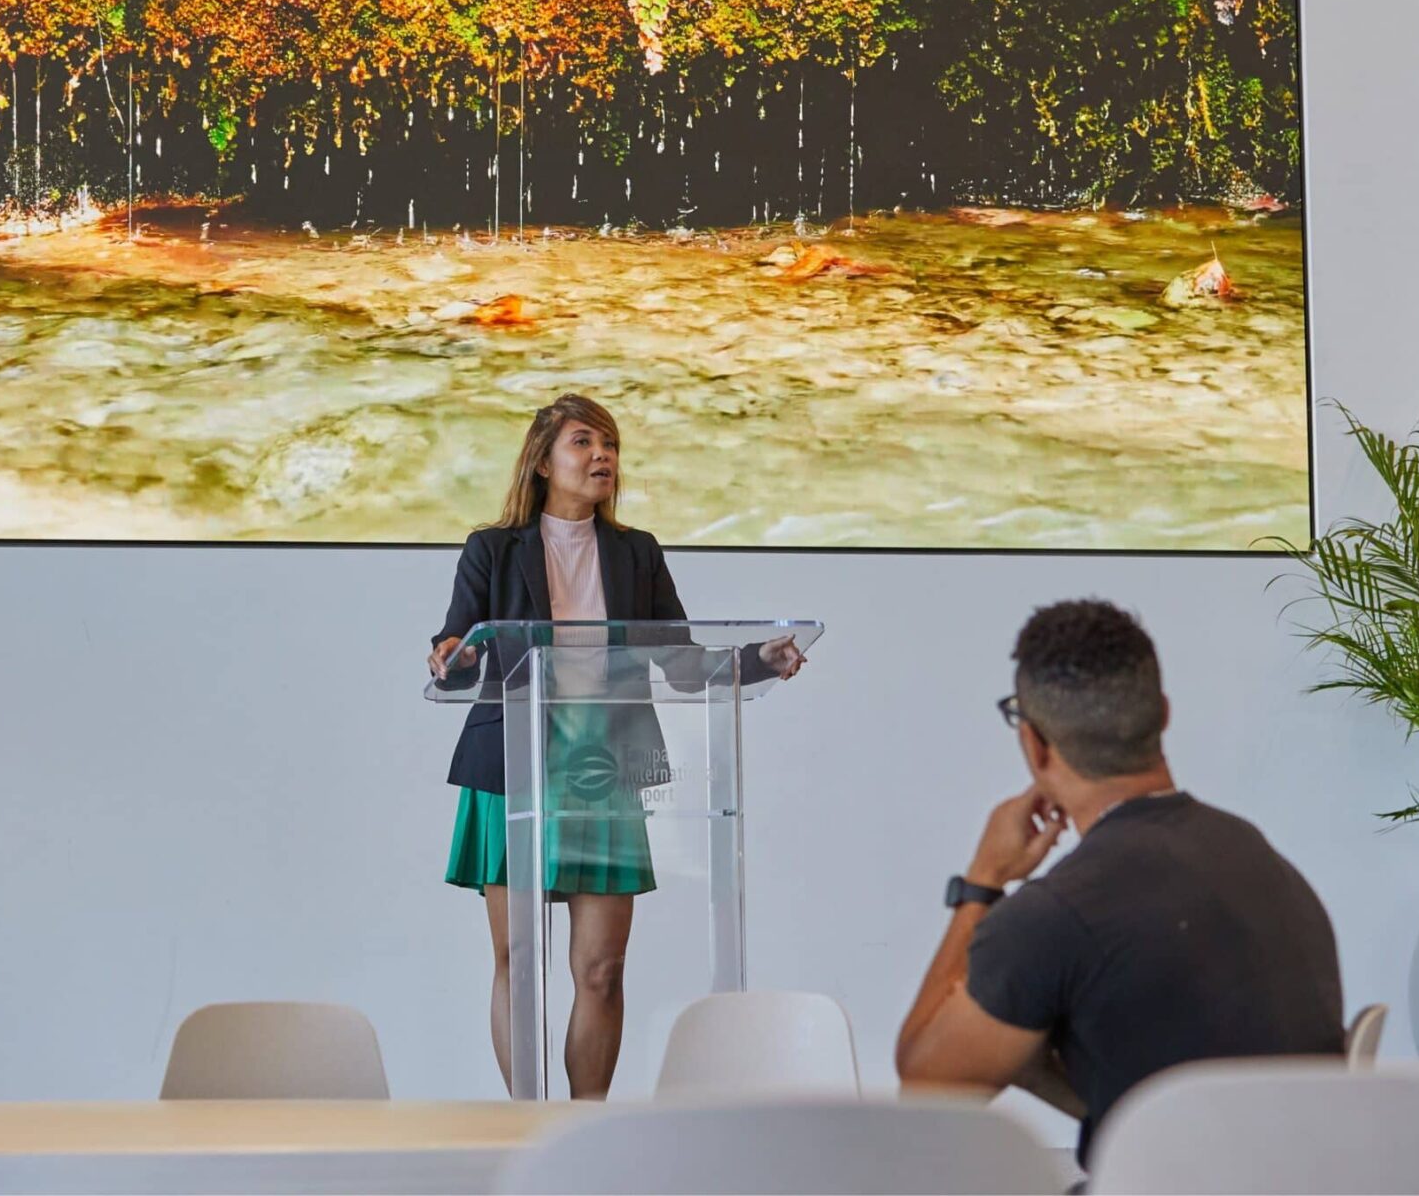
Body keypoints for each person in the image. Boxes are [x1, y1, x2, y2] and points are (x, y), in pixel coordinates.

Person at [428, 394, 803, 1099]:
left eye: (610, 445)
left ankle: (586, 1125)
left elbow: (684, 665)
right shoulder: (492, 549)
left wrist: (761, 659)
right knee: (517, 958)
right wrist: (453, 655)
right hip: (511, 767)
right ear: (544, 462)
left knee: (602, 969)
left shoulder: (637, 553)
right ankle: (527, 1123)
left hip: (605, 768)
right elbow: (458, 641)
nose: (603, 456)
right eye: (583, 442)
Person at [895, 598, 1342, 1164]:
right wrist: (1042, 1068)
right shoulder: (1257, 857)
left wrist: (983, 882)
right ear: (1162, 713)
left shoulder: (1052, 917)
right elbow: (1201, 1112)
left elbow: (924, 1088)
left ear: (1035, 745)